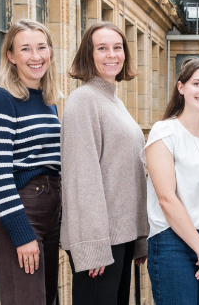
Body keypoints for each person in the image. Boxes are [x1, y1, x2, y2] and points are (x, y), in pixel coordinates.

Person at [60, 21, 148, 305]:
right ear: (89, 54)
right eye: (102, 48)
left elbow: (129, 175)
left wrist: (139, 236)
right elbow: (81, 178)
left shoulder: (114, 102)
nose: (112, 55)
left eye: (117, 47)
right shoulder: (83, 100)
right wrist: (92, 246)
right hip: (99, 243)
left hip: (119, 239)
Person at [0, 19, 63, 305]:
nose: (36, 56)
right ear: (11, 56)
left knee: (46, 298)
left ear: (50, 52)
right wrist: (21, 233)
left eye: (41, 47)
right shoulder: (1, 100)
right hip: (21, 211)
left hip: (50, 209)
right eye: (25, 49)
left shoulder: (48, 101)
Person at [142, 57, 199, 304]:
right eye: (197, 83)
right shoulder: (164, 132)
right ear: (181, 87)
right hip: (173, 243)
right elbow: (166, 199)